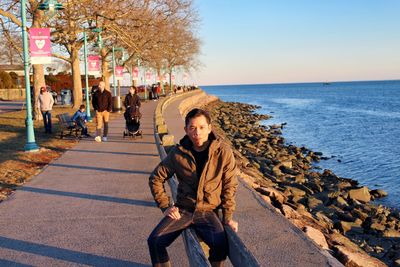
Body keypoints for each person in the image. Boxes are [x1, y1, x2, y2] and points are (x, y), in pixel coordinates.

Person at [148, 108, 239, 267]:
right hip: (184, 210)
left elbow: (229, 186)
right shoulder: (178, 153)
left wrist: (228, 217)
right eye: (192, 128)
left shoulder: (223, 152)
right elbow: (156, 177)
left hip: (207, 211)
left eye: (202, 127)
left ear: (210, 128)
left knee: (221, 245)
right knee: (155, 241)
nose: (197, 132)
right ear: (186, 130)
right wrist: (165, 206)